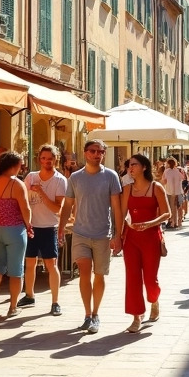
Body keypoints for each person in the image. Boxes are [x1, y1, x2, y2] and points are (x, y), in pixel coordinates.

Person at [58, 139, 123, 334]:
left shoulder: (110, 176)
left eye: (100, 151)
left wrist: (118, 235)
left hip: (103, 234)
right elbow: (68, 204)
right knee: (84, 273)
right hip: (80, 233)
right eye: (93, 151)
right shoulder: (75, 178)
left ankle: (96, 313)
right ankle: (87, 314)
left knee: (99, 275)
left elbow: (117, 208)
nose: (97, 154)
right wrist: (60, 229)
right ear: (85, 153)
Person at [120, 153, 170, 332]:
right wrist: (118, 237)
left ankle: (154, 300)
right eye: (129, 166)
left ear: (144, 167)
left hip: (151, 238)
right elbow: (121, 214)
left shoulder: (156, 187)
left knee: (150, 279)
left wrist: (149, 224)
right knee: (132, 278)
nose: (130, 168)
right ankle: (136, 316)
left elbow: (167, 213)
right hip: (131, 238)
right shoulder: (127, 189)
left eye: (133, 165)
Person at [0, 151, 32, 317]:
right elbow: (25, 208)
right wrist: (29, 225)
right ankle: (13, 307)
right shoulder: (17, 184)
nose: (21, 168)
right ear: (13, 166)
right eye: (20, 165)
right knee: (16, 270)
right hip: (15, 231)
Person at [22, 144, 67, 315]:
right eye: (43, 158)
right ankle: (29, 295)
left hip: (49, 227)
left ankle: (55, 301)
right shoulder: (31, 177)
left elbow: (57, 208)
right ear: (39, 159)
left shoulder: (60, 180)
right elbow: (23, 200)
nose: (47, 162)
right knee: (30, 263)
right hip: (31, 226)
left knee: (51, 264)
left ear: (56, 159)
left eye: (50, 159)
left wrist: (41, 192)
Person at [161, 157, 185, 229]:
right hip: (177, 191)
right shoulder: (177, 171)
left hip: (169, 191)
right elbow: (182, 178)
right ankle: (176, 222)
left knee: (170, 208)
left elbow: (164, 181)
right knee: (176, 207)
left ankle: (172, 222)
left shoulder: (166, 171)